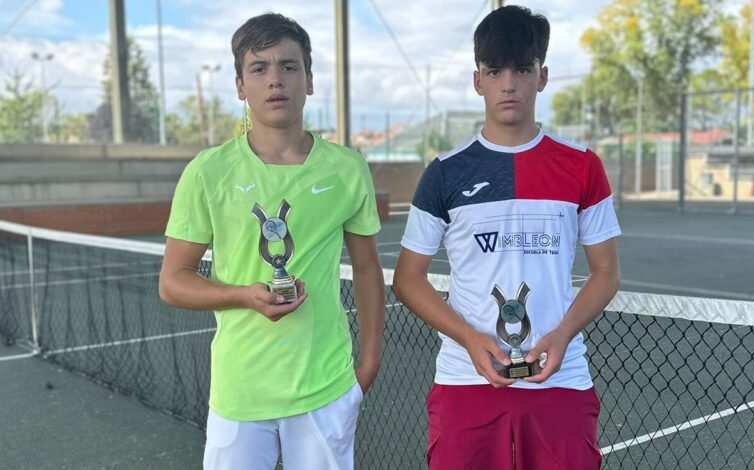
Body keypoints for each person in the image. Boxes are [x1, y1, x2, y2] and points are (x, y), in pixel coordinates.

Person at [392, 5, 621, 469]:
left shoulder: (582, 166)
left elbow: (606, 274)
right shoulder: (445, 173)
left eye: (522, 69)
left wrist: (562, 334)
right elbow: (408, 279)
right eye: (495, 71)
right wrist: (469, 338)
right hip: (465, 381)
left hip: (560, 380)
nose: (509, 84)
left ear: (543, 76)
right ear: (478, 81)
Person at [159, 13, 385, 470]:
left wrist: (369, 364)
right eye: (259, 68)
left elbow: (366, 269)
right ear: (241, 86)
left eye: (289, 66)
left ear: (310, 80)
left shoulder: (347, 168)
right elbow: (173, 282)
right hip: (240, 392)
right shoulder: (208, 171)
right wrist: (244, 295)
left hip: (326, 388)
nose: (275, 79)